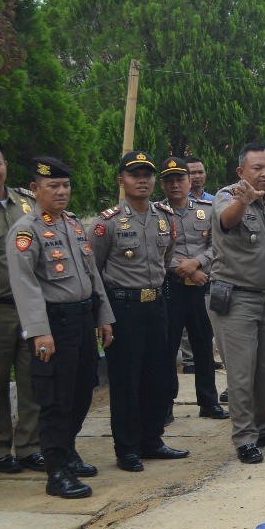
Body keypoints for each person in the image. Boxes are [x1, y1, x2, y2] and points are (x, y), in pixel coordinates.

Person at [7, 157, 113, 498]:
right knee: (55, 399)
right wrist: (39, 331)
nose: (61, 191)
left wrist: (104, 316)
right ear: (35, 189)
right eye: (53, 185)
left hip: (83, 319)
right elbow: (25, 286)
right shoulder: (26, 231)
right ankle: (57, 472)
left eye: (65, 185)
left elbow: (92, 274)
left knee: (83, 390)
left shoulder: (72, 224)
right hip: (53, 325)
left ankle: (67, 451)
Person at [92, 151, 189, 472]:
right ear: (122, 180)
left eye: (147, 175)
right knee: (126, 380)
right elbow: (96, 270)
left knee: (157, 375)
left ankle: (152, 439)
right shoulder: (106, 223)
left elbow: (165, 260)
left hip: (156, 304)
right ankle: (127, 447)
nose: (143, 180)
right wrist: (103, 315)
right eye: (135, 175)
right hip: (124, 307)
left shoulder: (164, 218)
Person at [210, 143, 265, 464]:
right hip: (236, 300)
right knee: (242, 373)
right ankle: (245, 438)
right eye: (257, 168)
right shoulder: (227, 196)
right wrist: (244, 199)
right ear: (241, 173)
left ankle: (264, 428)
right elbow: (227, 221)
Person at [157, 156, 226, 420]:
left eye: (180, 179)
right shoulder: (156, 212)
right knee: (167, 348)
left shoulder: (207, 209)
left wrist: (197, 263)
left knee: (203, 346)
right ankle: (164, 405)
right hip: (170, 287)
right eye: (169, 180)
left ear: (190, 181)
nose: (176, 185)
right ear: (162, 184)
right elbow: (154, 250)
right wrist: (181, 267)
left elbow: (217, 246)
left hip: (201, 288)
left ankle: (208, 401)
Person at [0, 140, 43, 473]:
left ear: (6, 165)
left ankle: (29, 446)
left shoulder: (28, 203)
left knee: (32, 378)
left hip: (32, 308)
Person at [180, 155, 216, 373]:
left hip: (209, 269)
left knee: (208, 317)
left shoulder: (214, 201)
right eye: (191, 173)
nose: (196, 176)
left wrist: (200, 264)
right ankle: (189, 360)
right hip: (180, 272)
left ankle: (205, 357)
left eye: (200, 172)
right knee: (185, 324)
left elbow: (218, 241)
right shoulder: (168, 206)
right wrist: (190, 268)